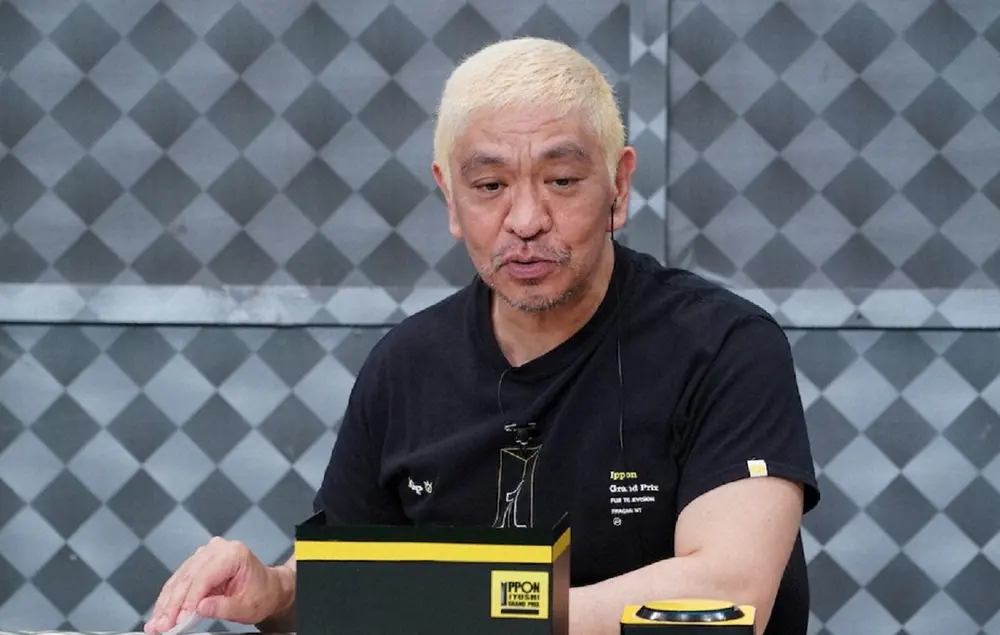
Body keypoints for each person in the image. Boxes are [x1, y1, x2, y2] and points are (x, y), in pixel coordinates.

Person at [143, 37, 820, 635]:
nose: (525, 219)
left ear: (619, 184)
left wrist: (473, 615)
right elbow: (347, 588)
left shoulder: (724, 347)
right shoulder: (406, 366)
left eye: (562, 180)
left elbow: (728, 593)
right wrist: (274, 591)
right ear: (450, 196)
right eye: (490, 185)